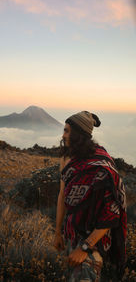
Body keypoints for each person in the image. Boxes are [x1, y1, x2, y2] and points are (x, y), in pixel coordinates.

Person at [53, 111, 127, 282]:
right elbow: (62, 195)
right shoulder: (66, 159)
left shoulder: (101, 166)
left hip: (93, 244)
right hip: (72, 235)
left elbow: (111, 215)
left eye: (67, 131)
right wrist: (58, 232)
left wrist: (84, 248)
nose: (63, 135)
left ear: (79, 135)